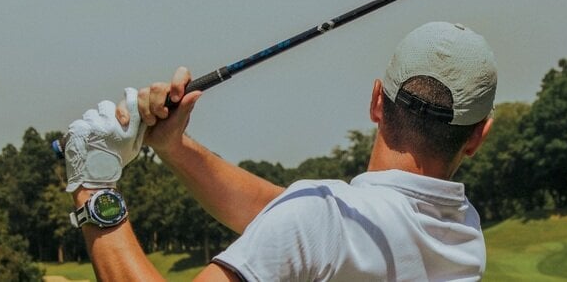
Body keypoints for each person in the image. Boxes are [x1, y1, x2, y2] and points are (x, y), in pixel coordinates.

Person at [62, 21, 497, 281]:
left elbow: (305, 223)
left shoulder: (319, 221)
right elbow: (288, 215)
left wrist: (94, 182)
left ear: (376, 101)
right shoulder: (463, 234)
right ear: (478, 135)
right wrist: (174, 147)